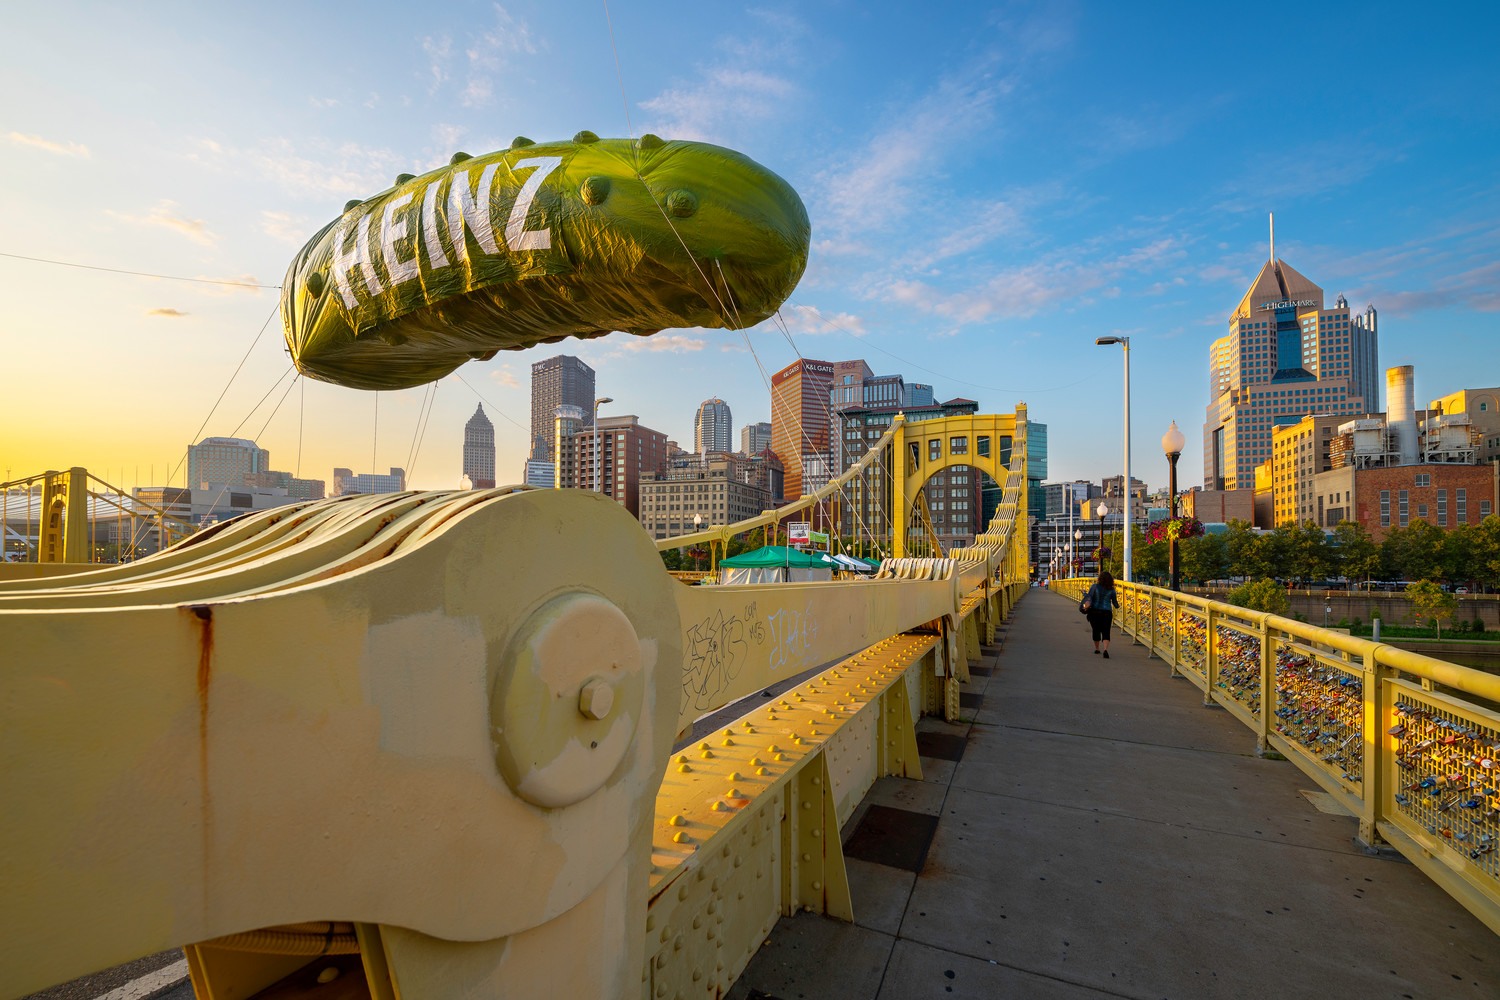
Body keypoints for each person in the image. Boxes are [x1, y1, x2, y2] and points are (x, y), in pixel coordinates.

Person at [1082, 569, 1120, 657]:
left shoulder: (1094, 587)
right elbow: (1115, 603)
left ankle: (1097, 648)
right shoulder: (1112, 590)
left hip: (1094, 612)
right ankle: (1105, 649)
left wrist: (1084, 593)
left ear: (1100, 578)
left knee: (1096, 630)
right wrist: (1119, 606)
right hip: (1107, 613)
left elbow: (1089, 598)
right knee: (1106, 631)